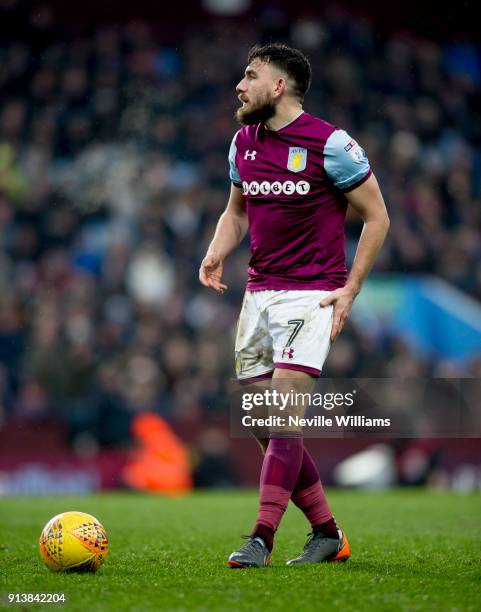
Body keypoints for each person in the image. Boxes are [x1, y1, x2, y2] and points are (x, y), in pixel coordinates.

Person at [199, 43, 389, 568]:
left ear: (278, 86)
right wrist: (217, 251)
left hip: (312, 292)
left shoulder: (332, 144)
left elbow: (377, 217)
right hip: (258, 293)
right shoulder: (243, 142)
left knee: (282, 415)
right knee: (263, 418)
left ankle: (260, 537)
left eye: (250, 74)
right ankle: (327, 531)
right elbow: (236, 211)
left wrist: (350, 288)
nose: (240, 85)